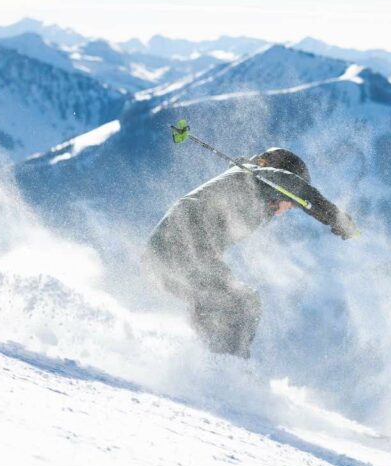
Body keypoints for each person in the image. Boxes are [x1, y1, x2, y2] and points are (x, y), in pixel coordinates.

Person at [145, 147, 358, 358]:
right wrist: (335, 218)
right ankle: (227, 367)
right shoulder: (256, 177)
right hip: (177, 251)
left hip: (163, 259)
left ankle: (204, 362)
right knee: (243, 302)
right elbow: (296, 186)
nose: (286, 210)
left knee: (219, 303)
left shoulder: (249, 192)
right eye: (290, 203)